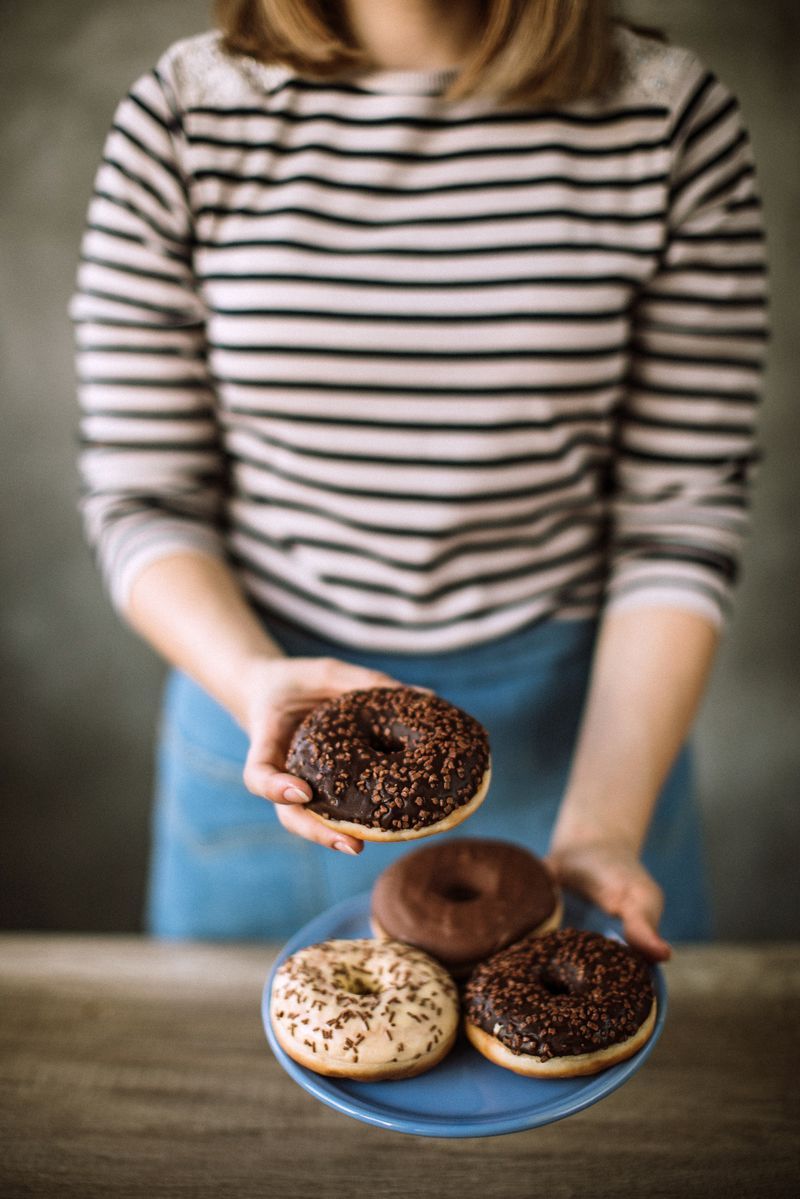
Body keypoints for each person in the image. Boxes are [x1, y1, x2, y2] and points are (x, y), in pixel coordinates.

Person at [71, 0, 767, 956]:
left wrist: (604, 825)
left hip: (590, 743)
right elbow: (144, 494)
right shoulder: (187, 113)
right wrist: (252, 680)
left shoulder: (663, 115)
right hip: (262, 720)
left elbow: (681, 517)